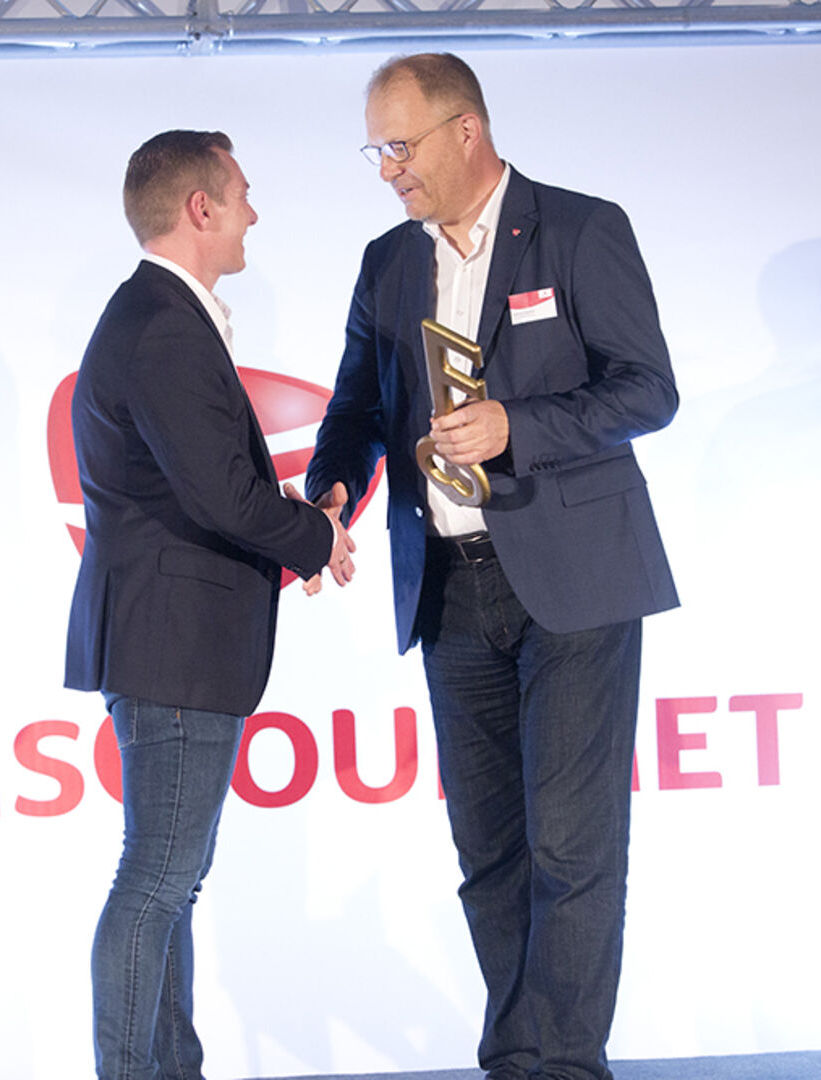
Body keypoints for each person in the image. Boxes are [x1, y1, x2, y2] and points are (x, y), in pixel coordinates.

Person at [305, 53, 678, 1080]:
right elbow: (354, 408)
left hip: (573, 580)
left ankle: (565, 1065)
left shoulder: (579, 228)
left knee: (571, 847)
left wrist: (519, 425)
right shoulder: (388, 261)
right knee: (488, 852)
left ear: (464, 130)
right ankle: (517, 1059)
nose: (387, 169)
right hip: (449, 586)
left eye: (399, 145)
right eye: (376, 151)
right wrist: (332, 491)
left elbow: (647, 390)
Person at [64, 129, 353, 1080]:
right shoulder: (162, 326)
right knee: (156, 881)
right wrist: (314, 536)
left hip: (171, 641)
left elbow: (207, 484)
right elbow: (221, 496)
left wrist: (298, 524)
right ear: (201, 207)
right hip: (172, 646)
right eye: (241, 195)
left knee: (169, 884)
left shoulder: (162, 317)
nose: (252, 215)